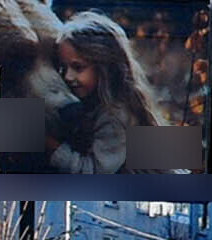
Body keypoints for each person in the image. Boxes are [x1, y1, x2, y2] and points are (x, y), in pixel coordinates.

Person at [48, 10, 169, 173]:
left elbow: (95, 174)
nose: (68, 77)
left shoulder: (115, 114)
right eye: (63, 68)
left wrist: (53, 148)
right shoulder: (95, 104)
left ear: (105, 67)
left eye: (78, 67)